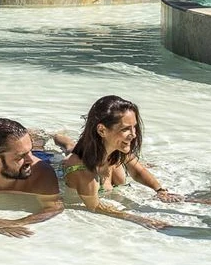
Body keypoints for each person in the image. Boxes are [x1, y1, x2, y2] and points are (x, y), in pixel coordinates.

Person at [53, 95, 179, 229]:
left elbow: (137, 171)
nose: (134, 134)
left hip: (96, 152)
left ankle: (60, 138)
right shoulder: (80, 168)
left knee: (74, 148)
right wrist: (138, 218)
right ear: (102, 130)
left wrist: (160, 190)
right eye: (125, 129)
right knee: (70, 148)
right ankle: (56, 135)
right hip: (68, 168)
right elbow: (94, 206)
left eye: (134, 127)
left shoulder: (117, 150)